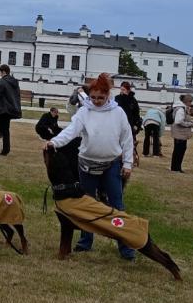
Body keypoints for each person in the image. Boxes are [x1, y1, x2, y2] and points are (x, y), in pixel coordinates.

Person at [46, 73, 136, 260]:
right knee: (86, 205)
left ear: (108, 95)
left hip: (111, 165)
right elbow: (71, 132)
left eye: (100, 98)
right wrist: (54, 142)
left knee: (117, 205)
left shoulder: (118, 113)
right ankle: (85, 241)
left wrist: (127, 163)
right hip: (86, 165)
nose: (96, 101)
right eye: (93, 97)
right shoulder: (84, 112)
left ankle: (125, 246)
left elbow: (127, 139)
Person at [0, 64, 21, 155]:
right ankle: (5, 150)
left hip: (0, 109)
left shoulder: (2, 82)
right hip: (9, 110)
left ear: (3, 72)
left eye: (0, 72)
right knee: (5, 130)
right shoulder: (14, 82)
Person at [169, 93, 193, 173]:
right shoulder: (181, 109)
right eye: (190, 102)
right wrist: (189, 124)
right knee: (179, 150)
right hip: (180, 133)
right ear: (186, 101)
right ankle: (176, 168)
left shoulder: (181, 108)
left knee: (178, 150)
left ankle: (175, 167)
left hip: (179, 133)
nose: (191, 104)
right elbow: (178, 121)